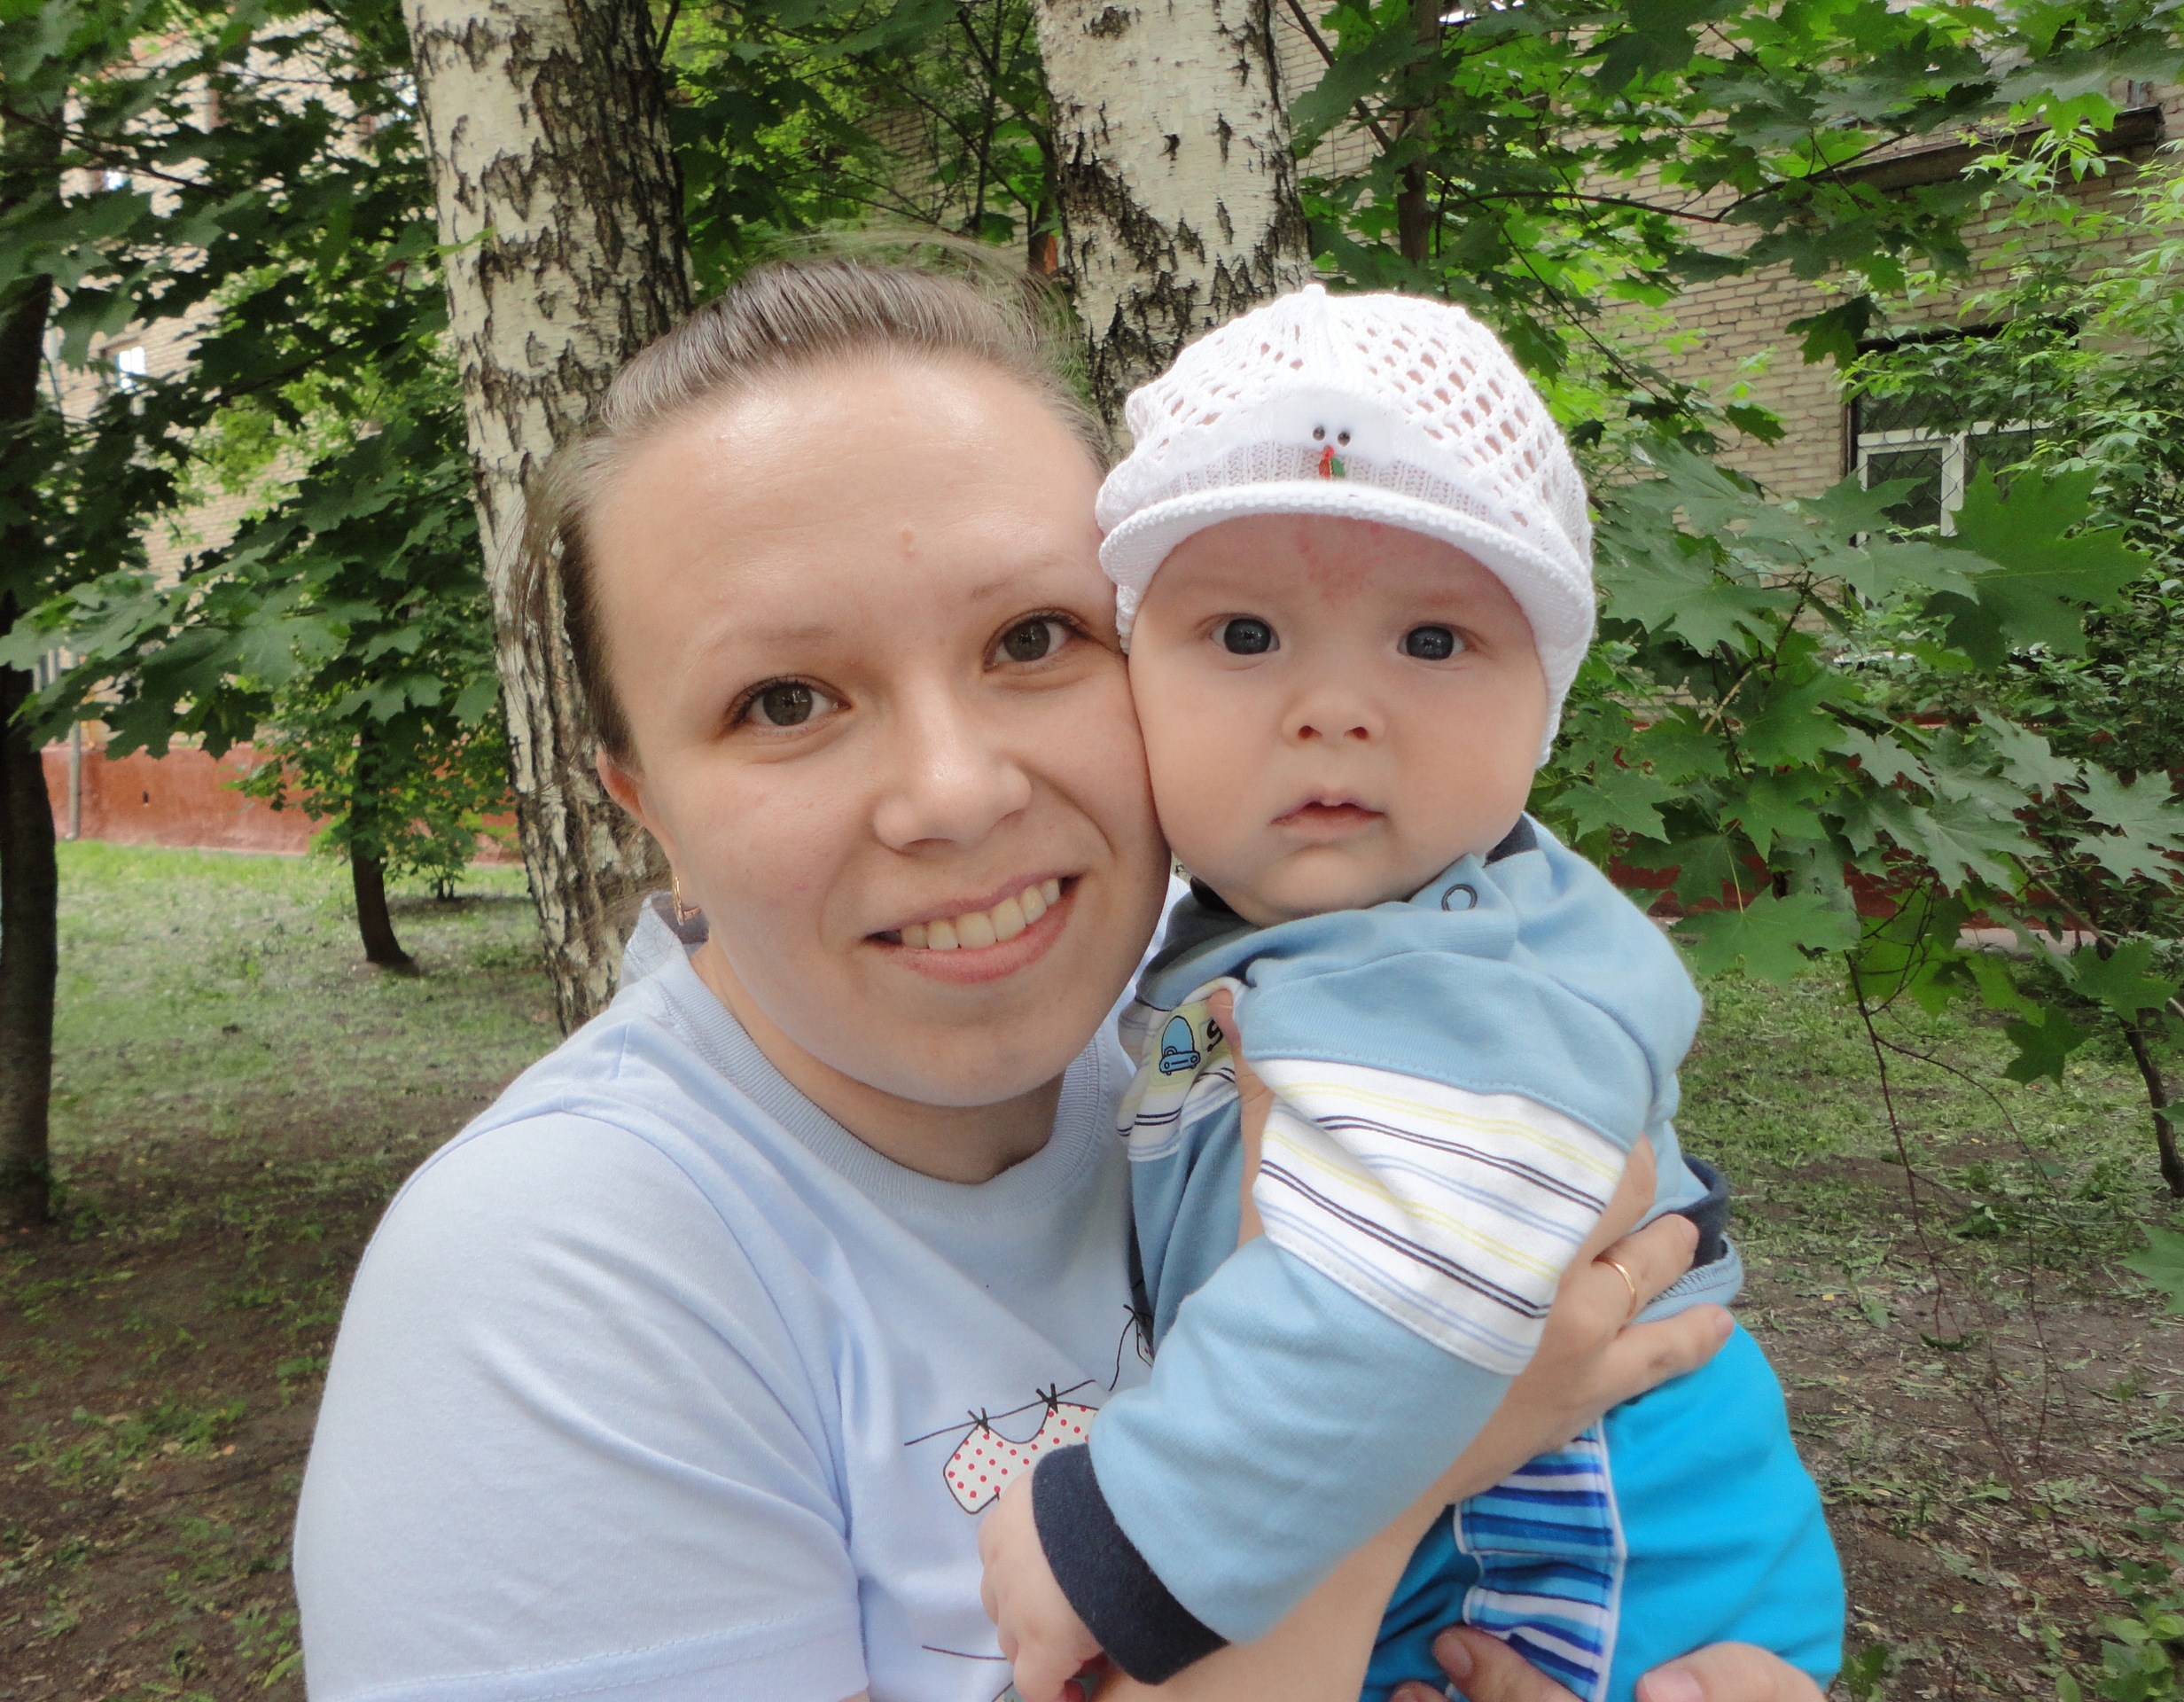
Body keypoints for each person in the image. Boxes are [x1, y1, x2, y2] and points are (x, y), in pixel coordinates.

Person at [291, 254, 1829, 1702]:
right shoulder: (558, 1287)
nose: (953, 794)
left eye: (1034, 637)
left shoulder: (1224, 1030)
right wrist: (1398, 1467)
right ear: (645, 809)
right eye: (784, 701)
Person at [977, 288, 1842, 1702]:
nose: (1335, 708)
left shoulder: (1464, 971)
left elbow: (1406, 1273)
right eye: (1243, 635)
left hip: (1575, 1564)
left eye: (1432, 642)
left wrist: (1126, 1535)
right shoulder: (1261, 943)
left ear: (1543, 704)